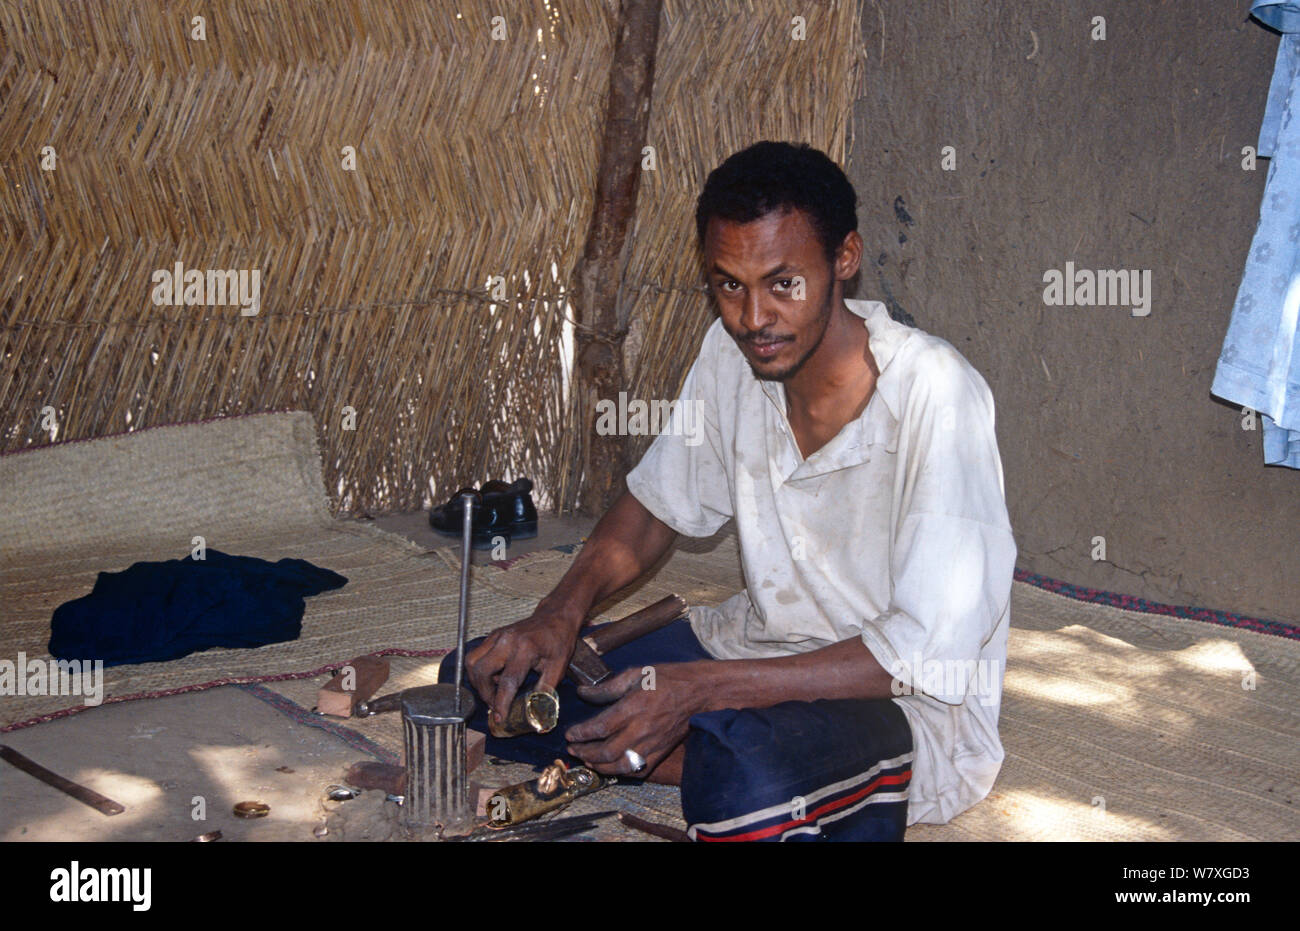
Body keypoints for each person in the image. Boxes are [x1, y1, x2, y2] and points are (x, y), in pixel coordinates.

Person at [442, 140, 1017, 841]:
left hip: (900, 706)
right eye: (729, 284)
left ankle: (691, 748)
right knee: (486, 679)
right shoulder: (731, 354)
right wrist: (558, 612)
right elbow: (656, 508)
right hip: (753, 654)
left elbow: (919, 655)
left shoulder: (936, 394)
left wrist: (700, 690)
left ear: (845, 259)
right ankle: (678, 745)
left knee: (746, 786)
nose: (754, 318)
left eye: (784, 284)